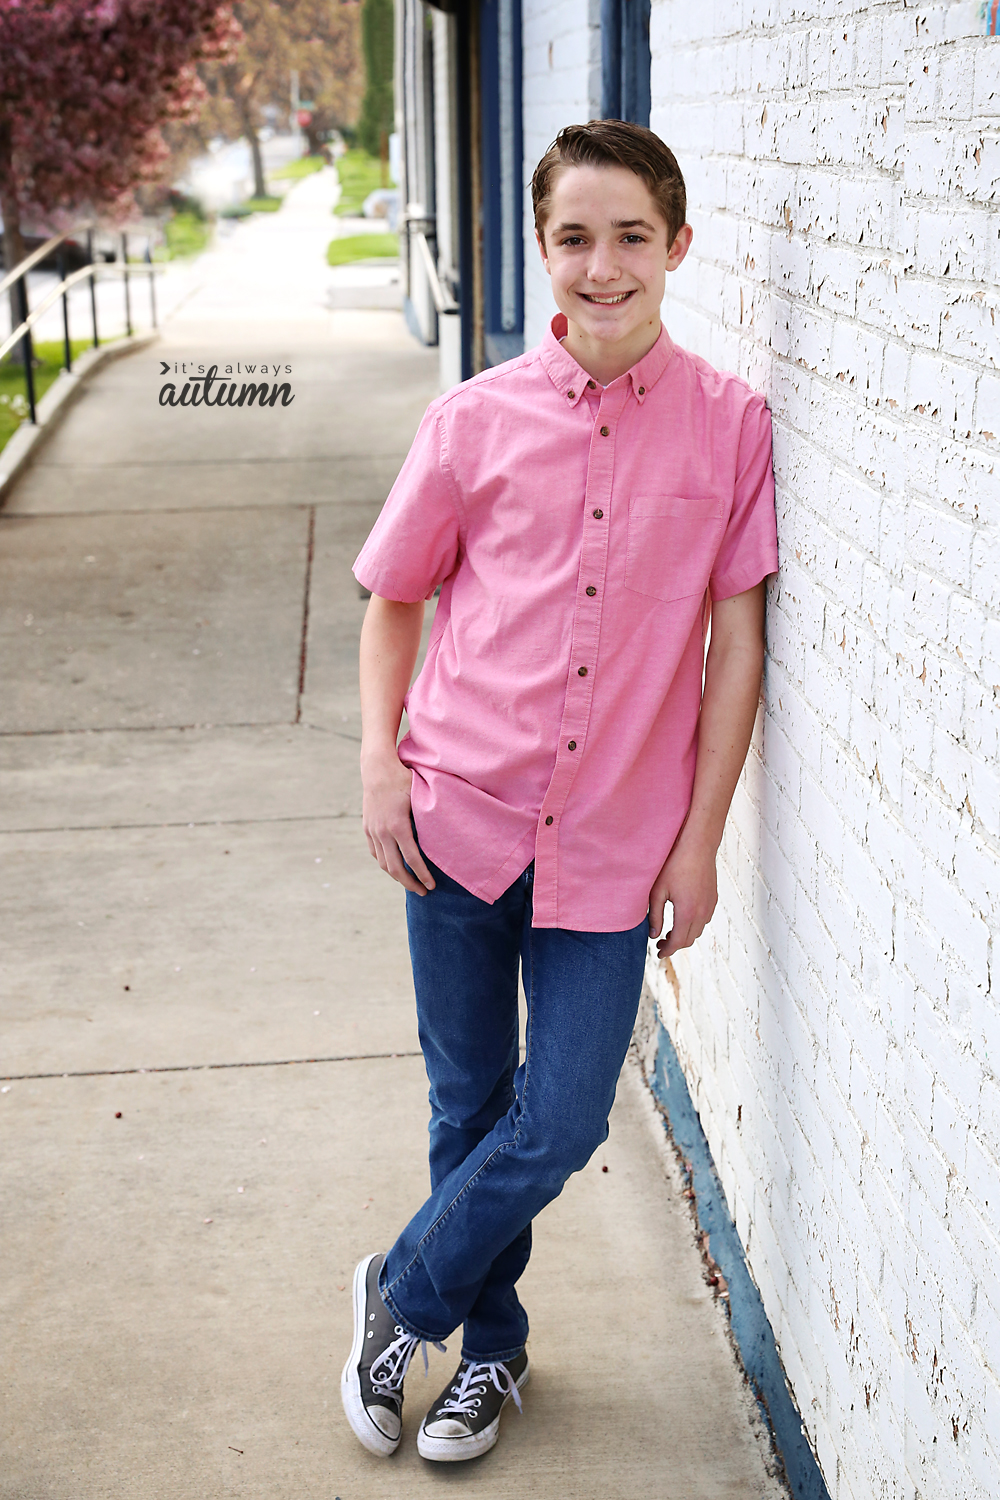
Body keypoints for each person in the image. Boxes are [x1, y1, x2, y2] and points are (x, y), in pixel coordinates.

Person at [341, 119, 778, 1464]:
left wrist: (701, 845)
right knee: (468, 1106)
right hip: (456, 817)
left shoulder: (730, 427)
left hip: (613, 844)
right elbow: (394, 600)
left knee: (568, 1112)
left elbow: (737, 650)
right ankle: (493, 1354)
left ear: (678, 248)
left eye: (630, 237)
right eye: (575, 238)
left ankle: (399, 1294)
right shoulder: (473, 421)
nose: (601, 266)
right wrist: (378, 763)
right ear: (543, 249)